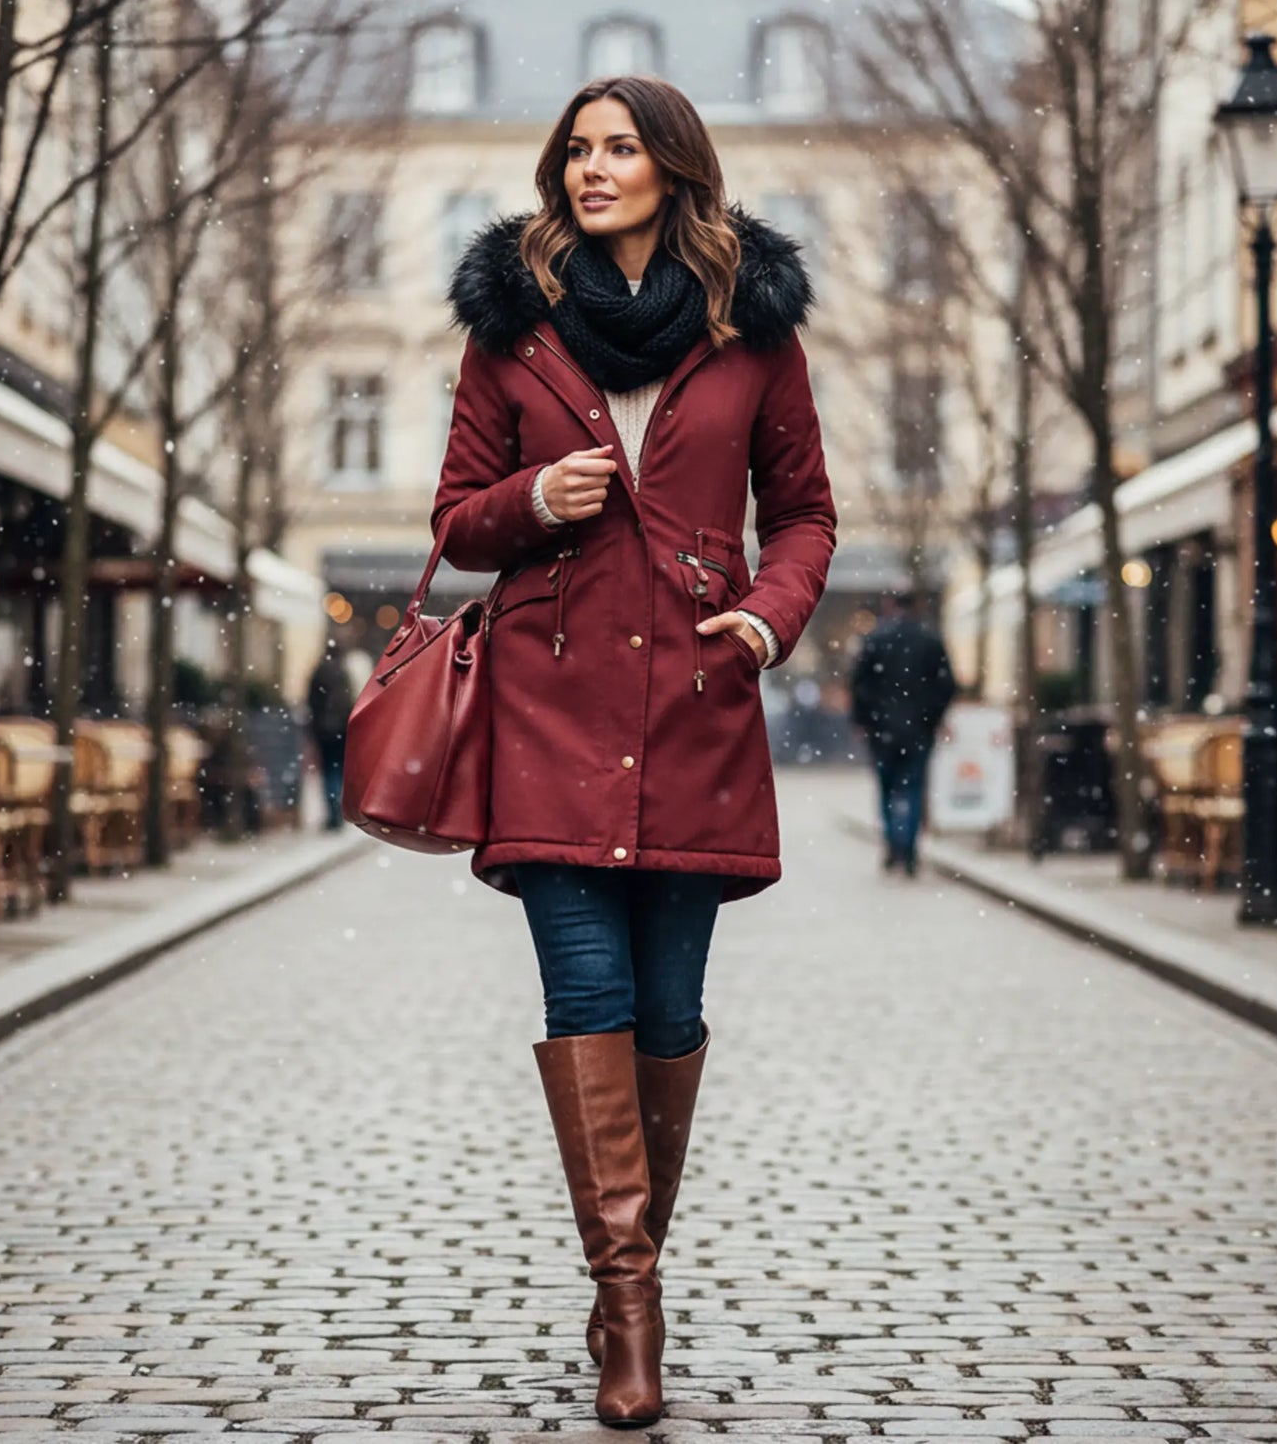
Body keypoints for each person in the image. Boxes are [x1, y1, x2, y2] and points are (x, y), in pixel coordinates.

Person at [435, 76, 836, 1427]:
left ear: (673, 166)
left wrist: (769, 623)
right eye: (577, 151)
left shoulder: (752, 332)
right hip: (546, 715)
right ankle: (629, 1304)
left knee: (666, 1018)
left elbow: (805, 517)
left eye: (618, 149)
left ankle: (629, 1267)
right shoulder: (510, 330)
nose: (591, 168)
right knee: (587, 996)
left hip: (700, 708)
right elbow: (456, 523)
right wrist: (533, 498)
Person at [849, 590, 957, 876]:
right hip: (918, 729)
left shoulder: (875, 639)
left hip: (881, 728)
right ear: (918, 604)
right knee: (912, 787)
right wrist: (933, 717)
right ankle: (908, 850)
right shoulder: (930, 640)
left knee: (886, 788)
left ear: (889, 604)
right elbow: (947, 685)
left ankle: (893, 845)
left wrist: (863, 720)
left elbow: (859, 684)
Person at [305, 639, 353, 831]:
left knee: (328, 772)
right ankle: (337, 812)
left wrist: (313, 728)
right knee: (338, 770)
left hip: (323, 730)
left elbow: (312, 702)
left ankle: (333, 814)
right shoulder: (343, 673)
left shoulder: (319, 671)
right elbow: (348, 701)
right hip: (341, 729)